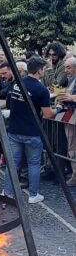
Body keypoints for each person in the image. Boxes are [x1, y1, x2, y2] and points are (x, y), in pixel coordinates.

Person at [3, 56, 61, 203]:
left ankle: (6, 192)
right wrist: (59, 108)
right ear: (39, 70)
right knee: (33, 164)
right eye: (43, 69)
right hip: (32, 132)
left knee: (13, 163)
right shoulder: (41, 89)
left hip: (14, 130)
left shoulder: (17, 84)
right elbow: (48, 114)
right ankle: (33, 195)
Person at [57, 56, 76, 186]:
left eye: (68, 67)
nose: (65, 70)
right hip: (71, 116)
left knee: (73, 146)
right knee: (71, 146)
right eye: (64, 67)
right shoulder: (71, 80)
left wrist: (71, 97)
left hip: (73, 116)